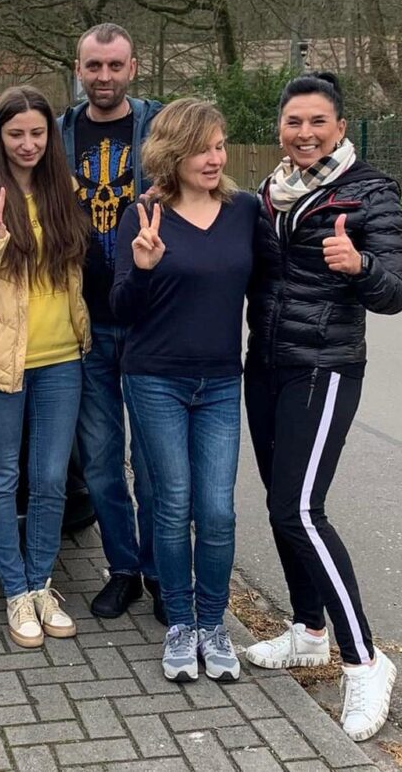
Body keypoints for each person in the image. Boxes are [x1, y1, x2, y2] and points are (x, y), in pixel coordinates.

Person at [0, 24, 166, 622]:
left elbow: (206, 166)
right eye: (94, 66)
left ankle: (159, 574)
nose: (104, 76)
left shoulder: (155, 128)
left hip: (139, 322)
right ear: (78, 68)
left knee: (150, 465)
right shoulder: (58, 133)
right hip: (79, 335)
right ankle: (119, 571)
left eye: (115, 65)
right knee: (97, 463)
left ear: (133, 67)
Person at [242, 72, 402, 740]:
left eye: (318, 121)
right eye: (294, 122)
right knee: (279, 507)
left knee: (300, 510)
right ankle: (309, 632)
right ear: (280, 129)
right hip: (266, 365)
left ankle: (364, 660)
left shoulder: (371, 192)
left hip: (326, 365)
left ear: (340, 127)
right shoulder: (269, 193)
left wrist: (359, 266)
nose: (305, 133)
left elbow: (395, 293)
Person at [111, 100, 257, 682]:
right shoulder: (142, 215)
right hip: (154, 380)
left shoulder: (245, 211)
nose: (215, 159)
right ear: (172, 154)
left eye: (219, 146)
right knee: (172, 504)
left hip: (220, 381)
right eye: (202, 149)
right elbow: (121, 309)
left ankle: (213, 623)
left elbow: (272, 284)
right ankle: (179, 623)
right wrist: (144, 268)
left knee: (216, 511)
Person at [0, 85, 91, 649]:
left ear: (50, 136)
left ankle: (41, 584)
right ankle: (15, 592)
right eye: (15, 134)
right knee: (3, 477)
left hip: (62, 360)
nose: (28, 144)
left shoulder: (65, 192)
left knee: (51, 479)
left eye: (37, 132)